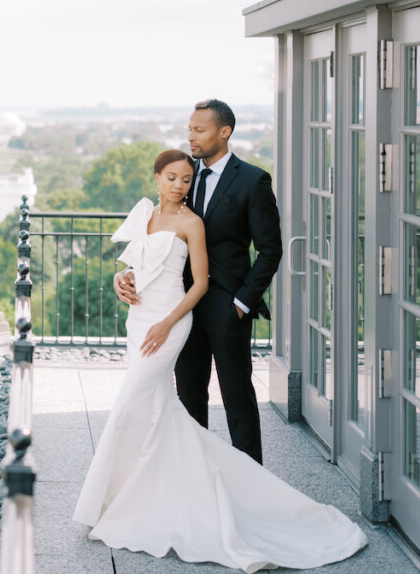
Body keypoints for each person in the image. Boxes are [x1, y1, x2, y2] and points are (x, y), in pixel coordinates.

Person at [73, 148, 367, 572]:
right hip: (140, 320)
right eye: (171, 177)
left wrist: (182, 319)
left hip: (173, 320)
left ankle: (236, 490)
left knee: (142, 401)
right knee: (160, 405)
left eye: (185, 180)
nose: (179, 185)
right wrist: (121, 279)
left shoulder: (199, 217)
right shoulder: (144, 215)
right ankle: (153, 492)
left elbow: (210, 277)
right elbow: (134, 265)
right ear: (157, 177)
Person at [115, 99, 282, 464]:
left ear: (225, 132)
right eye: (189, 128)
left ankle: (252, 480)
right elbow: (162, 243)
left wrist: (240, 304)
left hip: (226, 306)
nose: (191, 136)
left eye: (199, 129)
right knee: (189, 395)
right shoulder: (182, 178)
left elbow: (270, 251)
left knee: (237, 395)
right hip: (179, 305)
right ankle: (194, 476)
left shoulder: (254, 180)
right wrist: (127, 273)